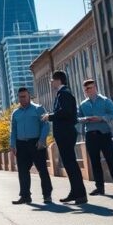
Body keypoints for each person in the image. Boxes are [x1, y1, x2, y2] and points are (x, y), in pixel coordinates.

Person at [41, 71, 87, 204]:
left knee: (71, 164)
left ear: (58, 80)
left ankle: (80, 194)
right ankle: (75, 192)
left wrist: (50, 116)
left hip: (66, 133)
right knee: (69, 164)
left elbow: (65, 112)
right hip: (65, 133)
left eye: (52, 80)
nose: (51, 82)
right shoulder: (62, 93)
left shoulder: (64, 93)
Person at [78, 79, 113, 197]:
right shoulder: (83, 104)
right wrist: (85, 119)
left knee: (111, 160)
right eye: (85, 89)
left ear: (94, 88)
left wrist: (101, 118)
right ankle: (99, 188)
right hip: (90, 135)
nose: (86, 91)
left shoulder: (105, 101)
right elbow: (77, 118)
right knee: (95, 162)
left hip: (104, 134)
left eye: (89, 88)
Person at [10, 87, 53, 205]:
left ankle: (47, 195)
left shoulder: (38, 109)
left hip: (36, 143)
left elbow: (45, 126)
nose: (22, 99)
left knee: (42, 170)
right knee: (22, 171)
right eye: (20, 97)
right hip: (21, 144)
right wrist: (12, 144)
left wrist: (41, 140)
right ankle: (25, 196)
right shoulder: (15, 113)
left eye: (24, 96)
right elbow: (13, 130)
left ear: (29, 96)